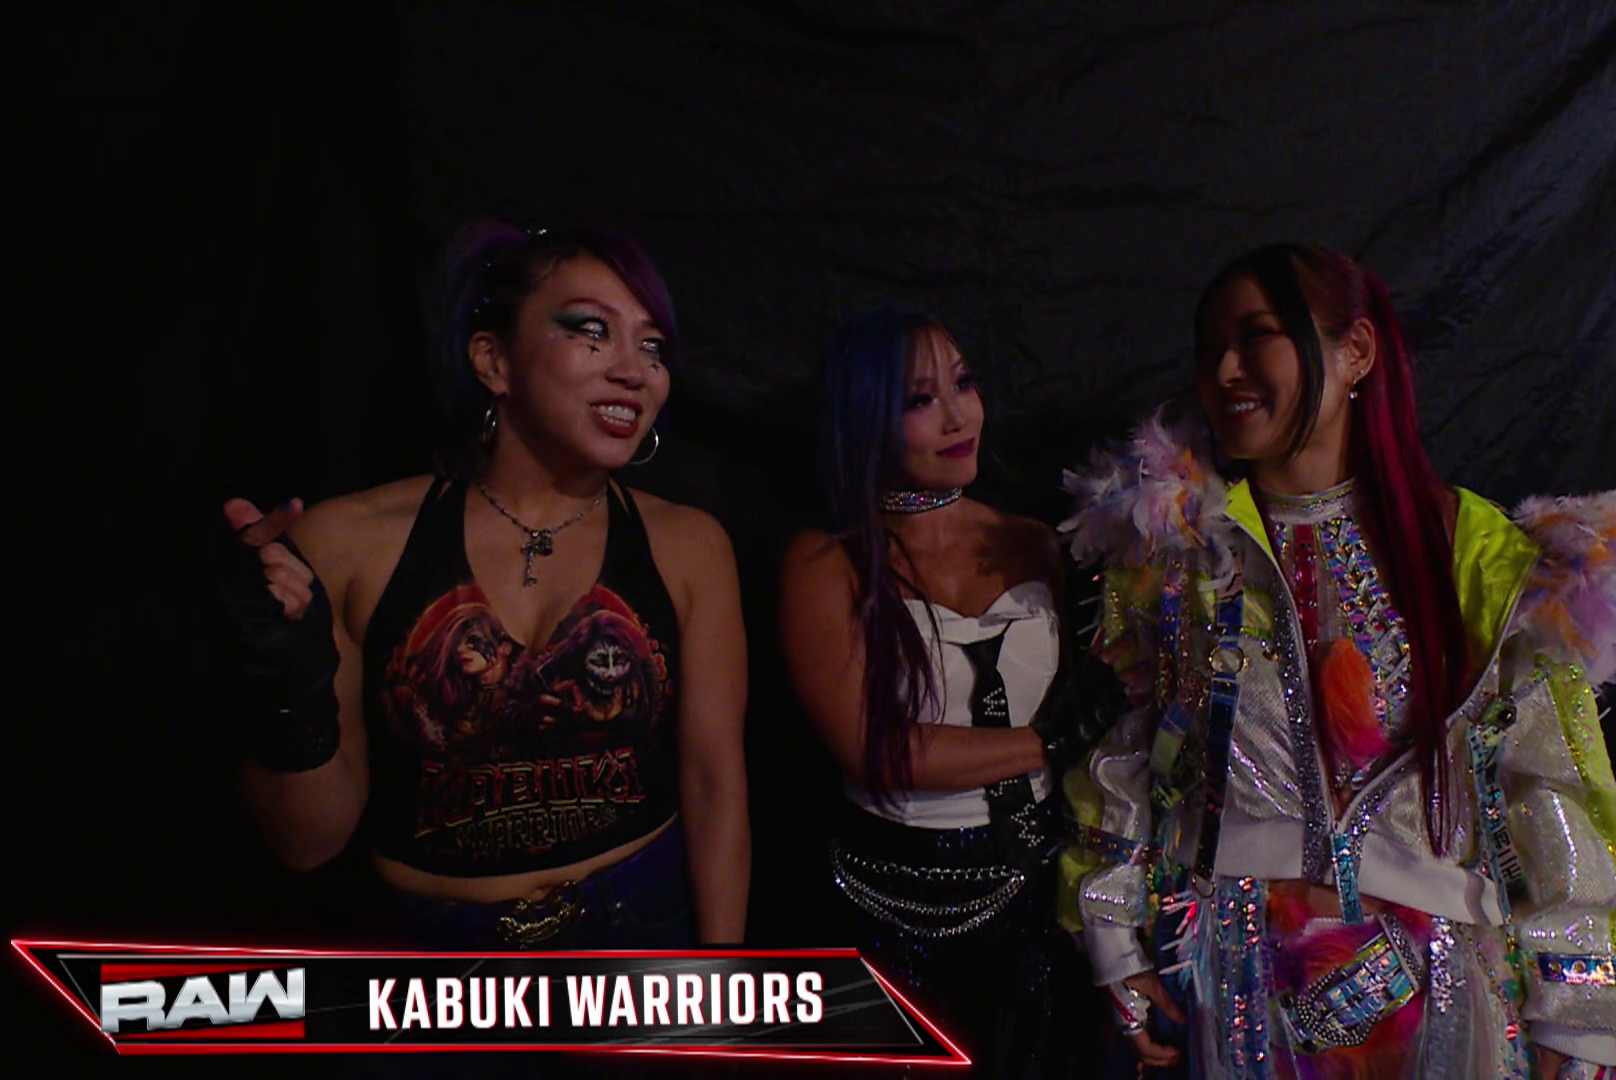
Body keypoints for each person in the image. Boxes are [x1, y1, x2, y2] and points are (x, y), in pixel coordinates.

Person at [1057, 244, 1616, 1079]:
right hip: (1232, 983)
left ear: (1355, 351)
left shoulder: (1478, 558)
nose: (1225, 371)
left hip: (1443, 999)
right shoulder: (1180, 556)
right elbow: (1135, 753)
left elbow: (1549, 786)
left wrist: (1578, 1022)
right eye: (1208, 348)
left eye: (1257, 336)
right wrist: (1114, 938)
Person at [218, 222, 750, 952]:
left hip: (639, 939)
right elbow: (307, 844)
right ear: (493, 360)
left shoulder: (691, 547)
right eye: (593, 331)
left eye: (653, 346)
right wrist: (286, 685)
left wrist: (721, 984)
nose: (636, 371)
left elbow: (715, 785)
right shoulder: (347, 545)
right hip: (432, 966)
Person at [778, 309, 1106, 1078]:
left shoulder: (1037, 542)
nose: (959, 417)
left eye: (963, 383)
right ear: (863, 417)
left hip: (1037, 899)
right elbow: (877, 751)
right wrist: (1054, 739)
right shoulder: (822, 563)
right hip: (887, 907)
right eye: (920, 399)